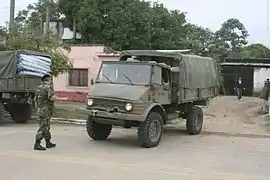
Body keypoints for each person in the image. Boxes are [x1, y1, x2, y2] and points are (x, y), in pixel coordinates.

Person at [33, 74, 56, 151]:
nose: (51, 81)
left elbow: (35, 100)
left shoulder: (38, 88)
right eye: (50, 80)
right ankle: (37, 143)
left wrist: (38, 108)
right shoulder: (48, 88)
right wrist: (61, 98)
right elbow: (51, 98)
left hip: (40, 110)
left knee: (46, 126)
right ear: (48, 80)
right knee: (43, 127)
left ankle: (48, 142)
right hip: (46, 111)